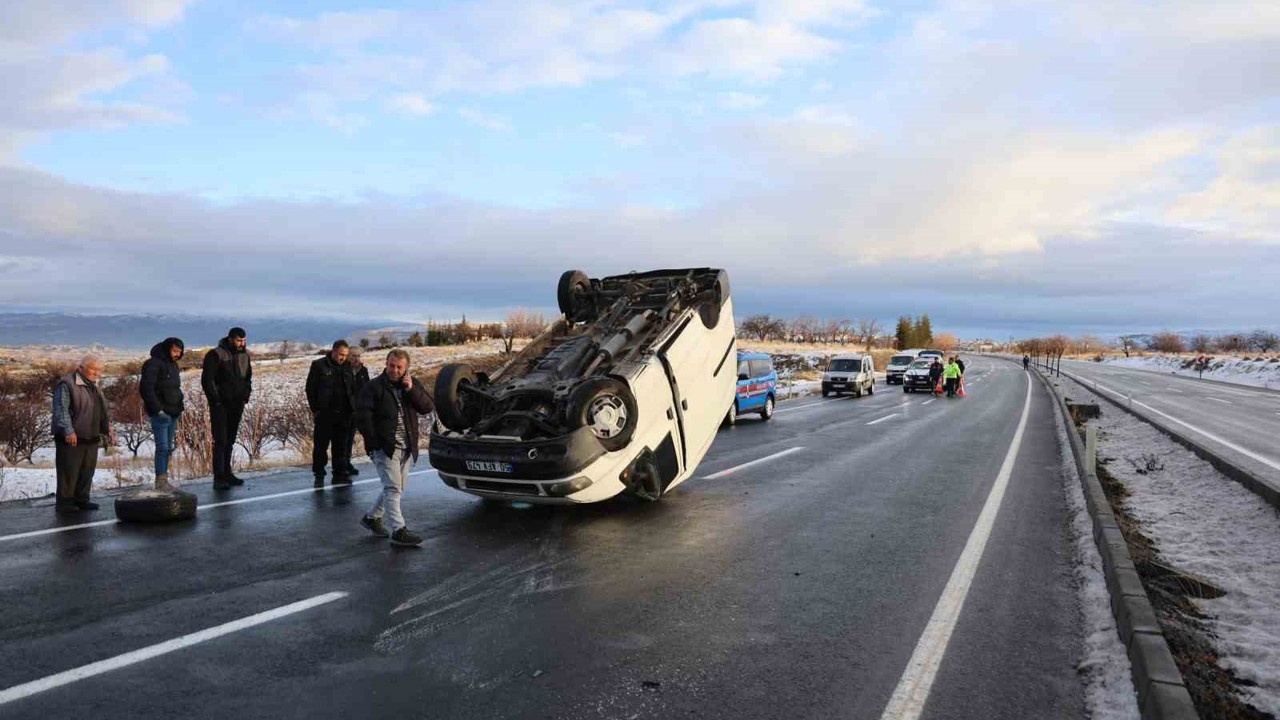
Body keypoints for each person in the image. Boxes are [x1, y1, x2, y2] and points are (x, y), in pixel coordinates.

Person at [356, 349, 434, 547]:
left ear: (406, 367)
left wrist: (411, 390)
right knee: (393, 488)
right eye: (391, 365)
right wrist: (375, 444)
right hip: (385, 447)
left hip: (406, 447)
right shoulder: (373, 387)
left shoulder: (412, 384)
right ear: (386, 363)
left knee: (396, 488)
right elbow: (363, 418)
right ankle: (398, 530)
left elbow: (427, 407)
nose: (395, 370)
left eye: (399, 367)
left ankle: (372, 518)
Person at [51, 355, 113, 513]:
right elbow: (61, 410)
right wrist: (68, 430)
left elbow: (101, 409)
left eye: (99, 369)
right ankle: (65, 503)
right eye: (93, 368)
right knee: (69, 472)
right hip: (72, 436)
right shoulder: (67, 384)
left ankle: (82, 500)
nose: (96, 372)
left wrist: (107, 428)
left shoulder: (94, 385)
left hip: (91, 435)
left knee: (87, 471)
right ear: (81, 368)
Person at [202, 327, 252, 490]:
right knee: (221, 441)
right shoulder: (216, 354)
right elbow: (207, 381)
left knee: (230, 440)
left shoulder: (245, 355)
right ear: (230, 339)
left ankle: (227, 473)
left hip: (237, 404)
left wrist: (245, 395)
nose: (241, 343)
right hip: (221, 405)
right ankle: (219, 478)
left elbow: (248, 378)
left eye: (244, 340)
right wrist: (215, 400)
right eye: (239, 340)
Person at [306, 340, 356, 487]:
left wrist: (353, 407)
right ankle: (319, 472)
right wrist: (316, 409)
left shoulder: (347, 366)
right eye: (341, 354)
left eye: (345, 355)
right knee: (321, 446)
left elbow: (352, 388)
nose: (343, 358)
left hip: (344, 413)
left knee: (341, 446)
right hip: (325, 413)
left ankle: (340, 474)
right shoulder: (319, 366)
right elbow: (310, 389)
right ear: (333, 351)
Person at [140, 337, 185, 491]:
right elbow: (146, 388)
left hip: (173, 412)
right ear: (167, 349)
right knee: (163, 447)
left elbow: (175, 389)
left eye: (179, 352)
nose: (177, 354)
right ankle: (160, 481)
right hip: (161, 414)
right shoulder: (153, 364)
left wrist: (179, 408)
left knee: (169, 447)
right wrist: (158, 410)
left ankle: (164, 480)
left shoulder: (173, 365)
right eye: (174, 351)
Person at [344, 347, 371, 476]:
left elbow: (367, 389)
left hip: (357, 411)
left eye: (359, 356)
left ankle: (347, 463)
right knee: (342, 439)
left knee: (350, 438)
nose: (357, 359)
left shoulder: (363, 371)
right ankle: (340, 465)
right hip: (344, 410)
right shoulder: (343, 370)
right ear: (348, 356)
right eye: (354, 356)